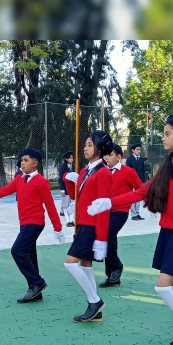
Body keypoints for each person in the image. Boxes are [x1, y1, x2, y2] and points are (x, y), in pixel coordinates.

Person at [88, 115, 173, 345]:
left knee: (162, 287)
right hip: (168, 232)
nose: (163, 137)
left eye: (167, 133)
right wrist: (108, 202)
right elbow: (141, 192)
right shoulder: (169, 166)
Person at [0, 149, 65, 303]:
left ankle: (37, 283)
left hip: (35, 223)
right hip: (24, 222)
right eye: (22, 160)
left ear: (35, 163)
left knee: (17, 251)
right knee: (30, 255)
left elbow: (50, 206)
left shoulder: (41, 182)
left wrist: (57, 227)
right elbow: (2, 191)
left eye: (26, 160)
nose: (22, 163)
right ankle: (35, 292)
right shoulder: (19, 179)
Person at [62, 131, 113, 322]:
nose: (85, 147)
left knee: (70, 263)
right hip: (82, 223)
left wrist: (101, 238)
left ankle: (95, 300)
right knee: (85, 264)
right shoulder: (85, 170)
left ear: (99, 148)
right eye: (85, 144)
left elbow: (103, 207)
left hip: (92, 226)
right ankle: (95, 309)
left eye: (90, 144)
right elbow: (75, 196)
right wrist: (69, 180)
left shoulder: (103, 173)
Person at [99, 143, 143, 288]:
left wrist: (128, 201)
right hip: (104, 212)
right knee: (106, 238)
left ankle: (116, 267)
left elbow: (141, 190)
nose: (106, 157)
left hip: (121, 211)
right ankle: (112, 276)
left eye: (110, 155)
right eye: (105, 154)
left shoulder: (128, 171)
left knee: (108, 235)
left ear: (119, 157)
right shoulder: (102, 171)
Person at [124, 143, 147, 220]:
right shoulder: (129, 159)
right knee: (133, 198)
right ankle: (133, 215)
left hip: (139, 181)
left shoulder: (141, 159)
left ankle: (137, 213)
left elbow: (143, 170)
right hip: (132, 181)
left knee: (138, 198)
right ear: (133, 150)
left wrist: (143, 181)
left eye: (140, 149)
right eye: (137, 149)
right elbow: (127, 171)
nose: (139, 151)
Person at [58, 151, 75, 225]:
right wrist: (62, 189)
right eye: (70, 158)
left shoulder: (74, 167)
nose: (72, 159)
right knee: (65, 205)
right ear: (66, 159)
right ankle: (67, 221)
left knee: (72, 204)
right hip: (65, 188)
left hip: (72, 188)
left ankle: (71, 221)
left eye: (72, 158)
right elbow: (61, 179)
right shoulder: (62, 167)